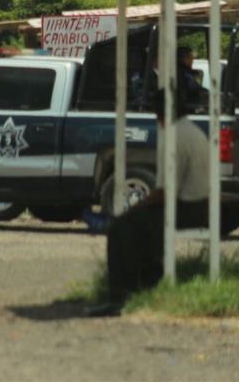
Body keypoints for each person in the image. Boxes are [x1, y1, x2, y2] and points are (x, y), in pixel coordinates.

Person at [89, 89, 210, 317]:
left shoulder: (174, 137)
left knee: (119, 228)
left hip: (187, 208)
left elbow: (166, 192)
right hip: (202, 206)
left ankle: (119, 297)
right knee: (142, 226)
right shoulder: (192, 130)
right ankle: (146, 286)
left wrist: (135, 208)